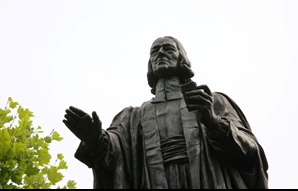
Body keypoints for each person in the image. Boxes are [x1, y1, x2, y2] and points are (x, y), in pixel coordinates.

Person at [63, 36, 268, 189]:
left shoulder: (212, 101)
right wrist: (95, 139)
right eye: (155, 51)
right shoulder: (132, 117)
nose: (160, 53)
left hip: (206, 179)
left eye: (168, 49)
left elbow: (250, 153)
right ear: (150, 64)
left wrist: (213, 122)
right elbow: (113, 153)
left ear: (182, 59)